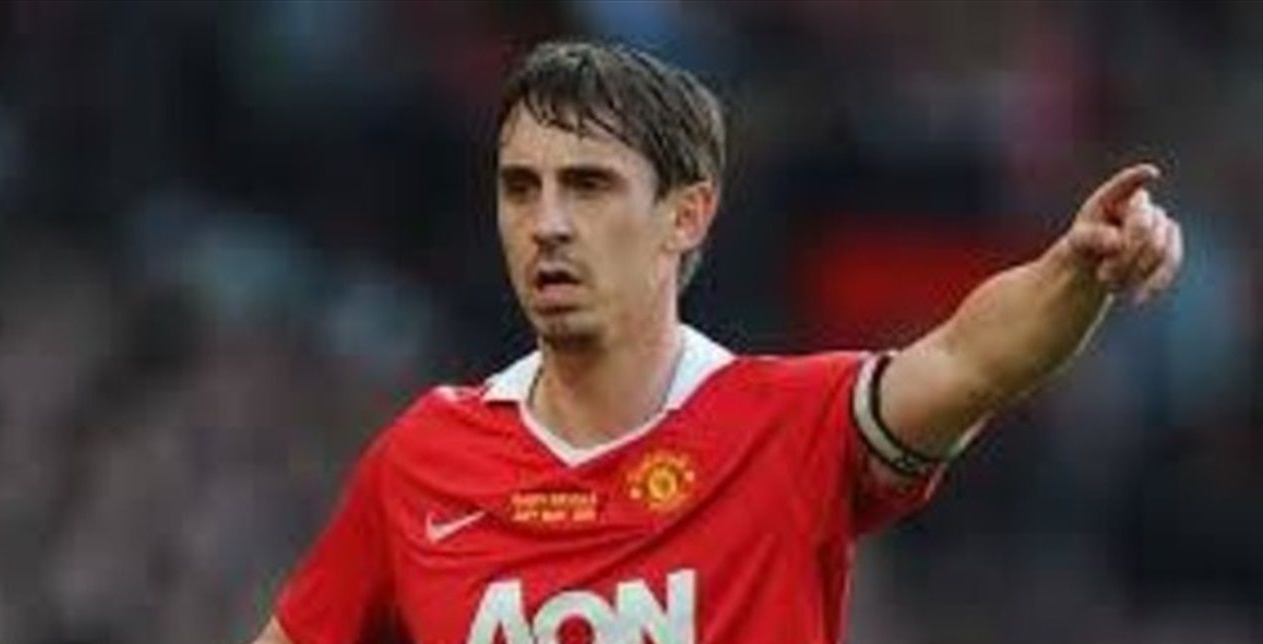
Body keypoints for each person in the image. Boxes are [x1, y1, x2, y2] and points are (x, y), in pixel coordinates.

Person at [250, 40, 1183, 644]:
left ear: (686, 215)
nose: (548, 223)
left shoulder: (788, 425)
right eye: (520, 188)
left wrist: (1079, 269)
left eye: (589, 185)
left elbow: (969, 360)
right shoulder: (425, 458)